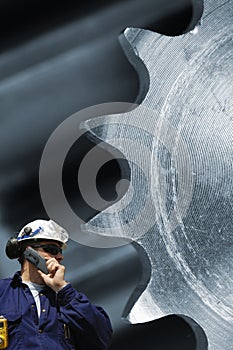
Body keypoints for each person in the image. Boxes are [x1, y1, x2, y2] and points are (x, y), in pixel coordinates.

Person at [1, 219, 112, 350]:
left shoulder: (69, 300)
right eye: (52, 249)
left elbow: (101, 339)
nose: (60, 256)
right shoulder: (3, 293)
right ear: (29, 252)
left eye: (60, 251)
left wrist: (62, 289)